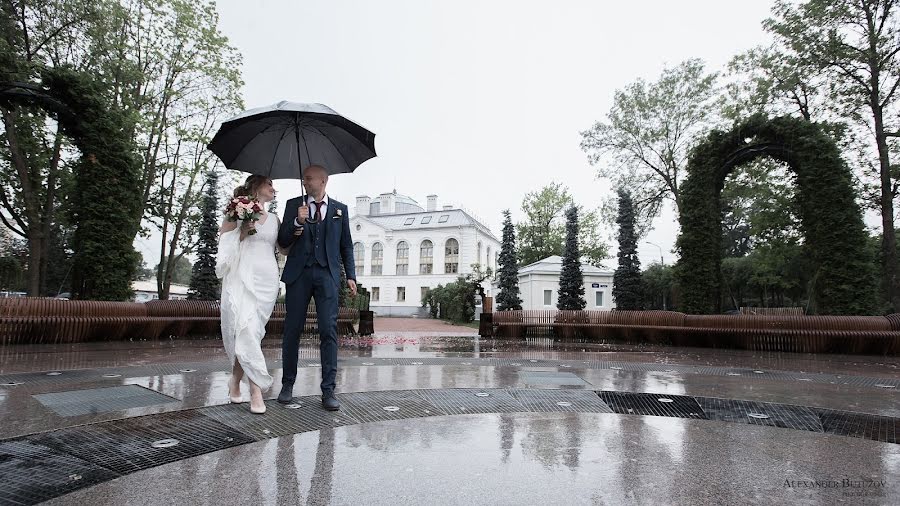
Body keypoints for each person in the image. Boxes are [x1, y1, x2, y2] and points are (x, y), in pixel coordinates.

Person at [276, 164, 357, 411]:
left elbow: (347, 246)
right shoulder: (293, 205)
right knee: (292, 330)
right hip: (298, 274)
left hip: (328, 275)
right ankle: (287, 384)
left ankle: (329, 390)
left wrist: (351, 275)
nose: (304, 182)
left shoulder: (340, 210)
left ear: (324, 181)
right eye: (303, 178)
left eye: (309, 178)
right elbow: (282, 240)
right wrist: (296, 222)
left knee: (328, 331)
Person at [217, 175, 294, 414]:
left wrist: (298, 229)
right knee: (246, 329)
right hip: (242, 276)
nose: (274, 188)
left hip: (267, 280)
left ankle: (234, 379)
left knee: (252, 332)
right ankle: (256, 391)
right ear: (256, 186)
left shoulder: (275, 219)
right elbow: (223, 240)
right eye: (269, 184)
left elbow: (283, 249)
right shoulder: (237, 211)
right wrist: (242, 232)